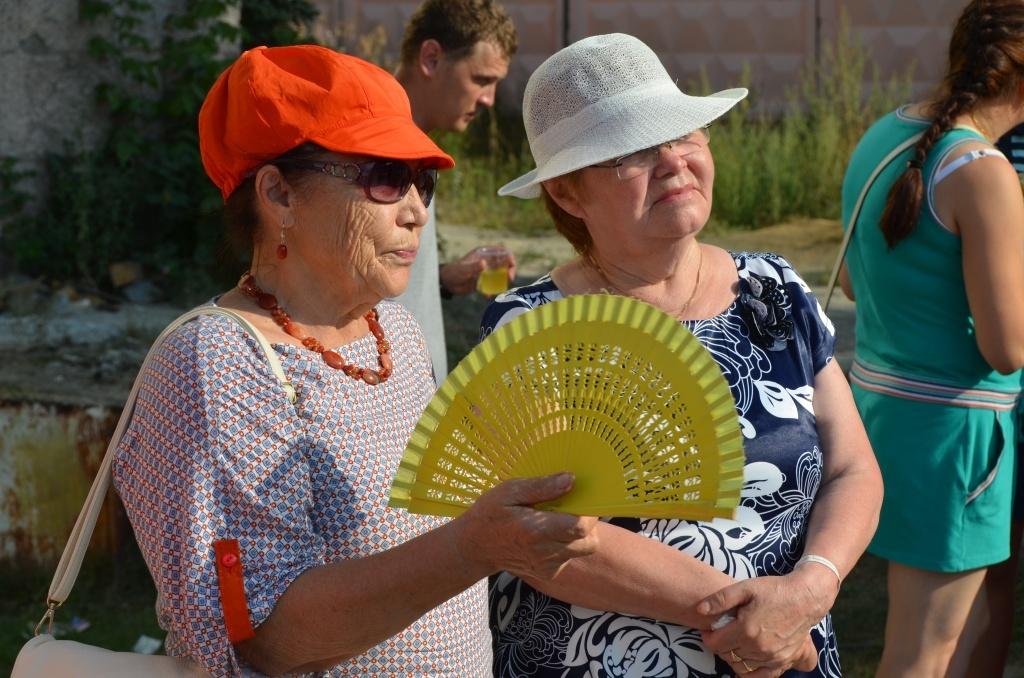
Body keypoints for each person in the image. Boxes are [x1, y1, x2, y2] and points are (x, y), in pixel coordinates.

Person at [111, 44, 599, 677]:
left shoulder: (391, 330)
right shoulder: (217, 362)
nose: (416, 211)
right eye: (385, 177)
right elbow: (263, 639)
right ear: (279, 193)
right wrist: (472, 547)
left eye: (422, 182)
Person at [482, 33, 883, 678]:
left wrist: (811, 588)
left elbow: (853, 470)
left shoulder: (773, 290)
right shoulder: (529, 329)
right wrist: (752, 619)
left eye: (683, 134)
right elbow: (551, 539)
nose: (672, 161)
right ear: (566, 193)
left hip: (788, 646)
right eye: (631, 152)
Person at [838, 1, 1024, 675]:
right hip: (957, 442)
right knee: (923, 654)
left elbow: (855, 281)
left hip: (885, 416)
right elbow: (1007, 349)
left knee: (937, 637)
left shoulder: (886, 132)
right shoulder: (984, 171)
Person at [394, 0, 518, 382]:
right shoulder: (373, 158)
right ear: (431, 58)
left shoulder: (420, 150)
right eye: (481, 79)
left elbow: (380, 285)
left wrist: (444, 279)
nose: (489, 99)